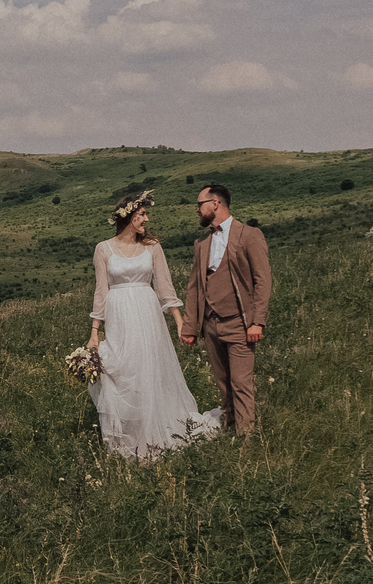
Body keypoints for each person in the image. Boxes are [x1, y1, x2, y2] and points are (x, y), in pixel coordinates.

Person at [84, 191, 221, 458]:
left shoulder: (152, 246)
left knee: (148, 369)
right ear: (128, 218)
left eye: (146, 214)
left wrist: (180, 322)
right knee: (122, 369)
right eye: (141, 215)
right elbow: (101, 292)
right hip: (119, 316)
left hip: (147, 315)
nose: (146, 219)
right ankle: (129, 437)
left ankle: (154, 437)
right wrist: (94, 333)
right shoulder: (104, 249)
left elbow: (165, 287)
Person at [178, 184, 270, 434]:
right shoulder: (202, 243)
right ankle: (230, 433)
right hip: (211, 324)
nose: (197, 210)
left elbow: (262, 280)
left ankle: (247, 442)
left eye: (200, 204)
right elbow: (195, 287)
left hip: (240, 323)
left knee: (241, 383)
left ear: (215, 203)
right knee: (223, 384)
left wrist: (257, 321)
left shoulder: (249, 235)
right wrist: (190, 327)